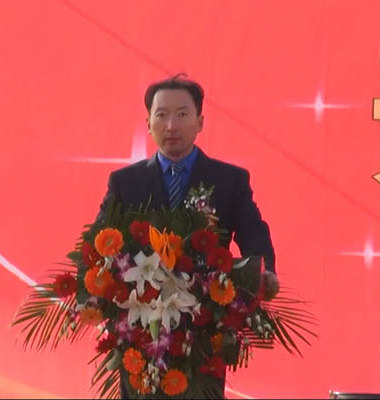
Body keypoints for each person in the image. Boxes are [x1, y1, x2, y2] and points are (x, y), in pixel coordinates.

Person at [96, 74, 279, 397]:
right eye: (162, 115)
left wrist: (266, 272)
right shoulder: (125, 182)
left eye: (182, 114)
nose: (171, 126)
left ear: (200, 122)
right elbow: (100, 240)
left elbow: (253, 231)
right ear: (148, 123)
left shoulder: (229, 180)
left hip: (204, 328)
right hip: (141, 331)